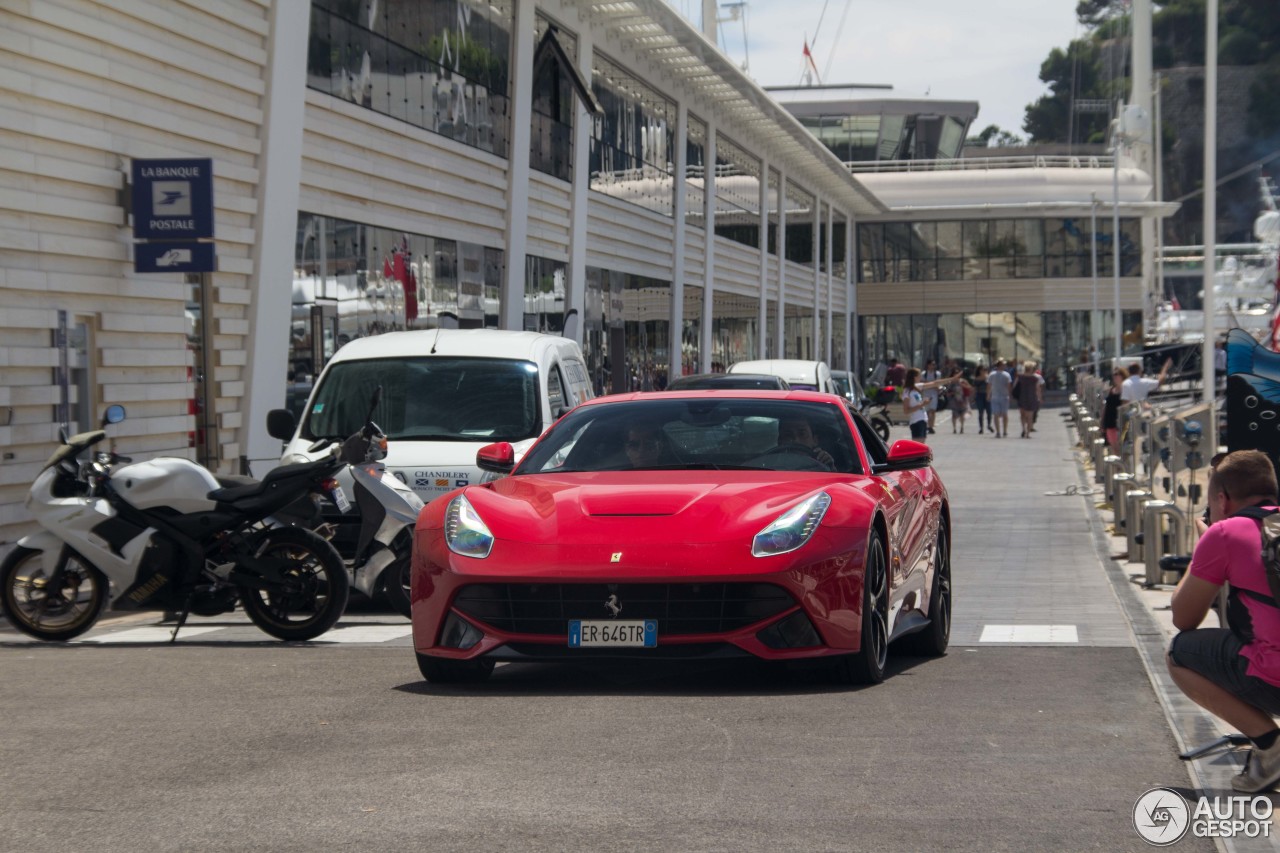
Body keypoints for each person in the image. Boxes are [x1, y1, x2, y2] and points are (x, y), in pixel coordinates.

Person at [1168, 450, 1280, 792]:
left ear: (1222, 498)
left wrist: (1205, 547)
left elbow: (1183, 618)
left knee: (1179, 653)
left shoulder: (1226, 533)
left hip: (1273, 676)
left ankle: (1271, 747)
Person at [1012, 360, 1043, 439]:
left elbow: (1014, 386)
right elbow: (1038, 389)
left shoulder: (1020, 377)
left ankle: (1023, 429)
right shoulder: (1035, 378)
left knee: (1022, 415)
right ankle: (1028, 433)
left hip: (1022, 397)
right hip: (1032, 398)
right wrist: (1040, 398)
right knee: (1030, 417)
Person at [1101, 368, 1126, 451]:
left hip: (1118, 423)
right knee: (1113, 447)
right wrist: (1102, 421)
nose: (1115, 377)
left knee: (1119, 448)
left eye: (1117, 374)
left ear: (1122, 376)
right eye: (1114, 375)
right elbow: (1106, 406)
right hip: (1109, 422)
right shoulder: (1112, 390)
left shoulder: (1125, 390)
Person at [986, 360, 1012, 438]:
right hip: (1001, 396)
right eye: (1004, 365)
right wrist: (1009, 395)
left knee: (999, 414)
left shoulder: (992, 374)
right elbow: (1009, 386)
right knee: (1002, 414)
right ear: (1000, 366)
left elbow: (989, 385)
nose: (1005, 366)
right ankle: (1002, 431)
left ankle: (1001, 431)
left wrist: (988, 395)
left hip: (998, 396)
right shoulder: (1006, 375)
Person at [946, 369, 972, 434]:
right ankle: (954, 428)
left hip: (963, 400)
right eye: (955, 373)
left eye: (957, 373)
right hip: (954, 400)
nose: (957, 374)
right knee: (954, 414)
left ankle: (962, 427)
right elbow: (947, 392)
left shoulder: (963, 381)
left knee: (962, 414)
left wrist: (962, 385)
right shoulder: (951, 382)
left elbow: (969, 387)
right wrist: (952, 393)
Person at [922, 359, 942, 434]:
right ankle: (926, 426)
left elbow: (938, 383)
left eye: (934, 364)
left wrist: (931, 384)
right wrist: (932, 384)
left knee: (933, 411)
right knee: (926, 411)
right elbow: (922, 383)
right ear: (928, 365)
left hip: (934, 394)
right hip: (926, 394)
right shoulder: (924, 374)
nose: (933, 366)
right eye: (932, 364)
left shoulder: (937, 374)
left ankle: (931, 426)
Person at [971, 366, 990, 434]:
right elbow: (974, 389)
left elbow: (990, 387)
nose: (983, 371)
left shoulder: (988, 378)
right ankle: (981, 428)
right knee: (980, 412)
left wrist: (989, 395)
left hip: (987, 395)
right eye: (982, 370)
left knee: (989, 412)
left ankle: (989, 425)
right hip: (979, 396)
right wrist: (973, 397)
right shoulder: (976, 379)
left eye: (985, 370)